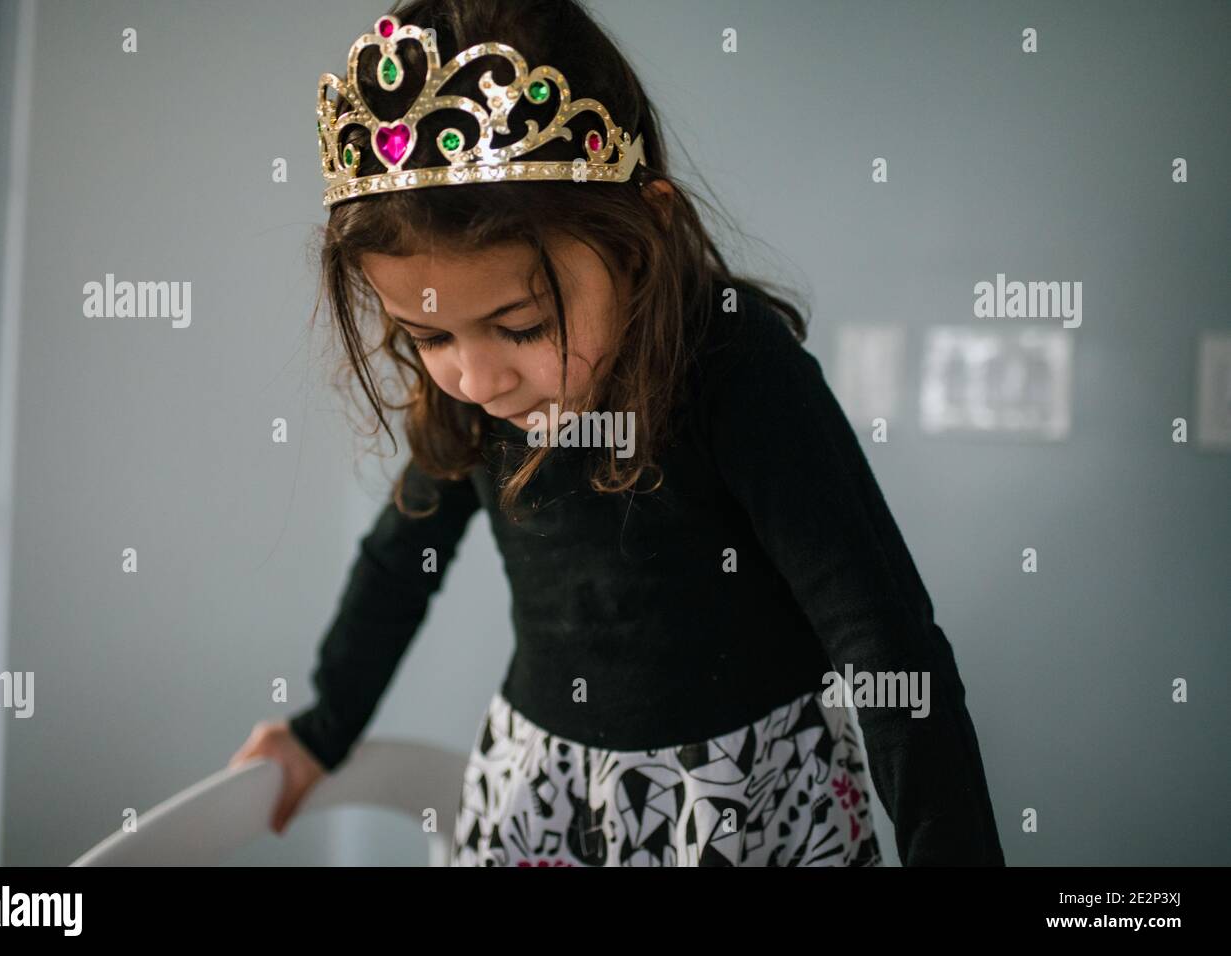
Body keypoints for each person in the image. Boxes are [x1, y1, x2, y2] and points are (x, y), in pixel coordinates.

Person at [228, 0, 1005, 866]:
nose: (479, 381)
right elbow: (397, 565)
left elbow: (884, 640)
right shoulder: (470, 403)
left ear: (642, 235)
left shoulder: (734, 362)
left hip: (741, 801)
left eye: (522, 325)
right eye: (431, 336)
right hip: (539, 797)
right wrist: (322, 728)